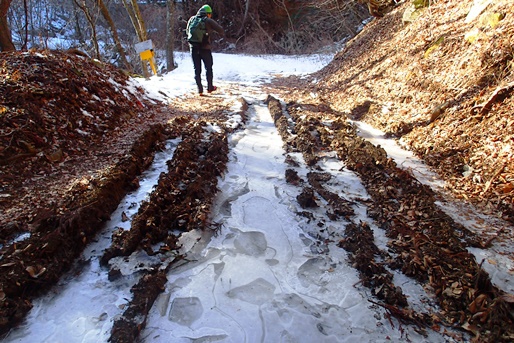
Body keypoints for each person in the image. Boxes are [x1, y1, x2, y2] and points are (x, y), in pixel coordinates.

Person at [186, 5, 224, 96]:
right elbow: (221, 30)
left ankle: (200, 90)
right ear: (208, 13)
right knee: (208, 67)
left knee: (197, 69)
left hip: (193, 48)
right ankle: (210, 87)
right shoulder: (208, 20)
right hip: (205, 48)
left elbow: (187, 32)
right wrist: (210, 31)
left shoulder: (192, 19)